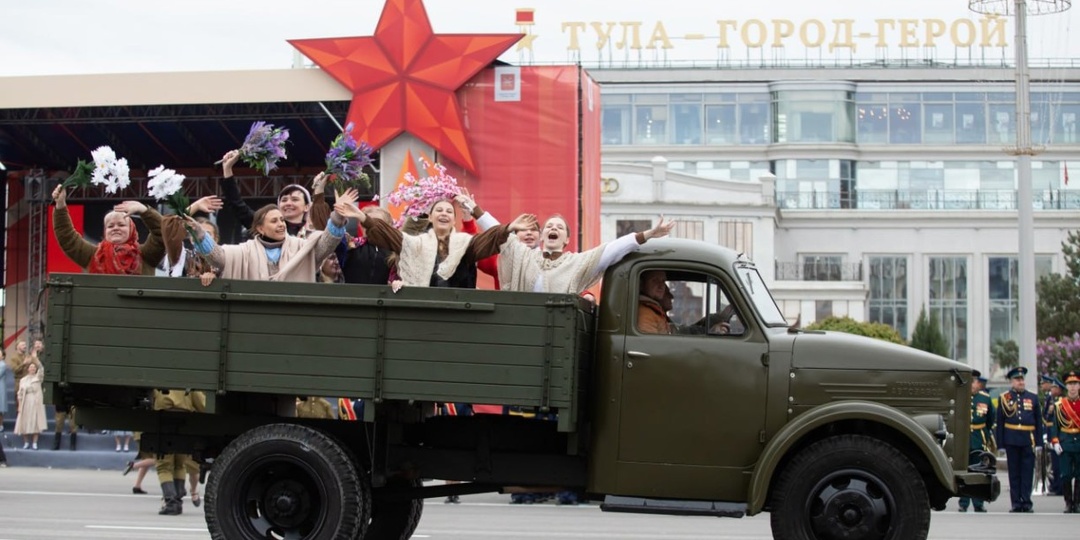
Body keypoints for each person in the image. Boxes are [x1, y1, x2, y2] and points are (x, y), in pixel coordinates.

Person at [337, 198, 534, 289]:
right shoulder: (415, 243)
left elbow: (487, 240)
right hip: (422, 312)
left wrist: (509, 228)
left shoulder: (465, 244)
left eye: (449, 211)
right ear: (430, 218)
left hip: (459, 314)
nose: (444, 213)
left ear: (454, 220)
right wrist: (363, 218)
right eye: (439, 210)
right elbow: (391, 235)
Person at [187, 191, 353, 283]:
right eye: (274, 221)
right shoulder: (244, 251)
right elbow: (217, 257)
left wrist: (338, 217)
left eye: (282, 220)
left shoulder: (302, 247)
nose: (281, 224)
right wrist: (199, 233)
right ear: (260, 228)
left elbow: (327, 245)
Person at [498, 215, 675, 295]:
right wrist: (479, 212)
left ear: (566, 239)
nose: (554, 228)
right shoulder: (524, 256)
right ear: (542, 236)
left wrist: (649, 234)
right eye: (549, 226)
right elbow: (501, 236)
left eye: (559, 227)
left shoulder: (577, 262)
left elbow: (611, 249)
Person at [51, 186, 165, 275]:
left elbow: (162, 233)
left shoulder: (146, 255)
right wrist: (60, 205)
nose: (115, 228)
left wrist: (144, 210)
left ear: (132, 230)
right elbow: (67, 238)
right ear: (105, 232)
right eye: (110, 226)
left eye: (121, 225)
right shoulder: (92, 255)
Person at [219, 150, 325, 238]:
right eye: (284, 200)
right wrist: (227, 169)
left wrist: (319, 189)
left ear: (307, 207)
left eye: (295, 199)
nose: (288, 203)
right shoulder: (266, 228)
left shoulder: (316, 232)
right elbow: (238, 206)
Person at [995, 366, 1043, 513]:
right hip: (1012, 439)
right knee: (1014, 473)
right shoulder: (1005, 398)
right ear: (1012, 382)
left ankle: (1026, 502)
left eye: (1022, 379)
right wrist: (1000, 444)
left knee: (1027, 472)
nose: (1021, 382)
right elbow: (1000, 422)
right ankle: (1016, 502)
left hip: (1028, 439)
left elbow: (1038, 422)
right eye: (1017, 379)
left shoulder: (1033, 398)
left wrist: (1039, 443)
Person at [153, 389, 206, 515]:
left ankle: (171, 502)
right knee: (180, 465)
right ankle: (178, 501)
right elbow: (202, 405)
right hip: (184, 423)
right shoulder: (190, 383)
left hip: (164, 421)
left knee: (164, 467)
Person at [959, 370, 995, 513]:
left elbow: (990, 419)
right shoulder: (961, 396)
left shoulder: (985, 398)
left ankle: (978, 503)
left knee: (979, 471)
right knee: (964, 471)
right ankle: (963, 502)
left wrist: (985, 434)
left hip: (979, 438)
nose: (973, 384)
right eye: (972, 382)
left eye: (975, 382)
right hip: (963, 437)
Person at [1049, 370, 1080, 513]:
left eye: (1075, 384)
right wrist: (1055, 442)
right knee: (1066, 474)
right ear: (1066, 386)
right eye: (1070, 384)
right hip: (1065, 442)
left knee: (1079, 475)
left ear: (1079, 386)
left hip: (1079, 443)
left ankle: (1077, 503)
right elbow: (1055, 426)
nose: (1073, 387)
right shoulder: (1059, 405)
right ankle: (1068, 502)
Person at [1041, 374, 1066, 495]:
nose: (1052, 389)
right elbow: (1045, 417)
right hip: (1051, 434)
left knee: (1058, 464)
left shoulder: (1061, 402)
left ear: (1059, 389)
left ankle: (1059, 486)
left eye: (1054, 387)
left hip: (1058, 436)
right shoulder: (1050, 399)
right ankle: (1055, 485)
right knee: (1053, 463)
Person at [14, 363, 46, 450]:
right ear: (28, 369)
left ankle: (35, 443)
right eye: (31, 367)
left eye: (34, 367)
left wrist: (36, 360)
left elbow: (41, 370)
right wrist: (19, 405)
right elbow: (20, 394)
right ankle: (26, 442)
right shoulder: (23, 380)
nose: (32, 369)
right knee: (24, 421)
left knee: (35, 421)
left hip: (36, 402)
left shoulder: (38, 378)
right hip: (26, 401)